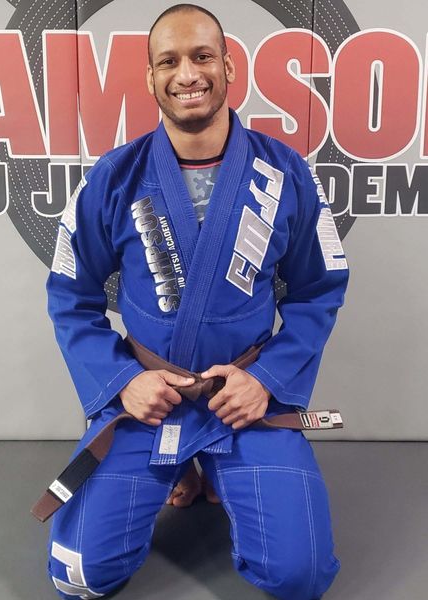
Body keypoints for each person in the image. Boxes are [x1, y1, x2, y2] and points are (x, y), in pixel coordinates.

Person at [46, 4, 348, 599]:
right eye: (170, 61)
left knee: (302, 577)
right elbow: (70, 295)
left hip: (243, 401)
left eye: (202, 56)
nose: (188, 73)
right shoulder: (113, 177)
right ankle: (187, 463)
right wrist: (122, 380)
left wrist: (266, 378)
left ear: (229, 67)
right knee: (77, 578)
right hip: (150, 401)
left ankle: (210, 462)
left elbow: (318, 292)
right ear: (151, 77)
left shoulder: (287, 173)